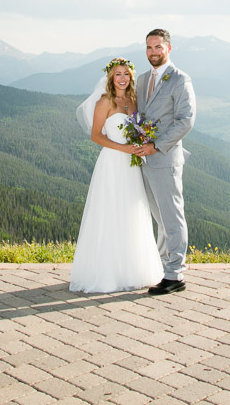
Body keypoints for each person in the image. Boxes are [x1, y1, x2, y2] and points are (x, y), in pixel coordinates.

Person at [69, 57, 163, 293]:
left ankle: (131, 269)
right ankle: (106, 273)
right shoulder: (105, 102)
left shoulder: (133, 101)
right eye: (118, 74)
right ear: (111, 77)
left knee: (131, 212)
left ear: (131, 77)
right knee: (110, 212)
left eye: (126, 74)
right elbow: (96, 136)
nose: (122, 78)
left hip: (132, 166)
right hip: (112, 163)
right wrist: (123, 148)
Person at [134, 29, 196, 295]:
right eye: (149, 48)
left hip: (165, 158)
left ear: (169, 48)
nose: (153, 52)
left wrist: (156, 146)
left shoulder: (180, 79)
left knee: (172, 217)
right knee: (159, 217)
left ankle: (175, 275)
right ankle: (163, 265)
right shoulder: (143, 78)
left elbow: (186, 120)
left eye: (158, 47)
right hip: (144, 160)